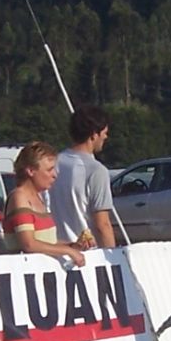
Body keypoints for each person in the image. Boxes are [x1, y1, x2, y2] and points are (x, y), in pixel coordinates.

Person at [3, 142, 87, 266]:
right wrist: (68, 251)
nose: (55, 175)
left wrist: (73, 246)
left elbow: (46, 242)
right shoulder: (19, 197)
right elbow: (29, 244)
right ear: (31, 171)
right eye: (49, 170)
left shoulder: (38, 197)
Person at [51, 105, 115, 250]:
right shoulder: (96, 170)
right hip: (84, 251)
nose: (106, 137)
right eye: (104, 133)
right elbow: (102, 224)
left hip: (53, 249)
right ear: (94, 134)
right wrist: (113, 255)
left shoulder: (52, 163)